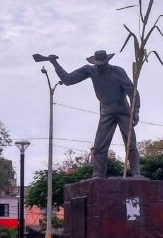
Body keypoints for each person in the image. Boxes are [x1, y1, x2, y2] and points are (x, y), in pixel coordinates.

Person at [46, 50, 141, 178]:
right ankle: (98, 174)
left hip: (123, 110)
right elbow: (68, 80)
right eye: (98, 64)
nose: (100, 67)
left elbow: (132, 91)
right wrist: (55, 63)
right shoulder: (89, 70)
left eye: (103, 64)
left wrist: (135, 110)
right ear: (94, 63)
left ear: (107, 62)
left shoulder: (118, 71)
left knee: (131, 144)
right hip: (106, 112)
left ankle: (135, 172)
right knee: (99, 146)